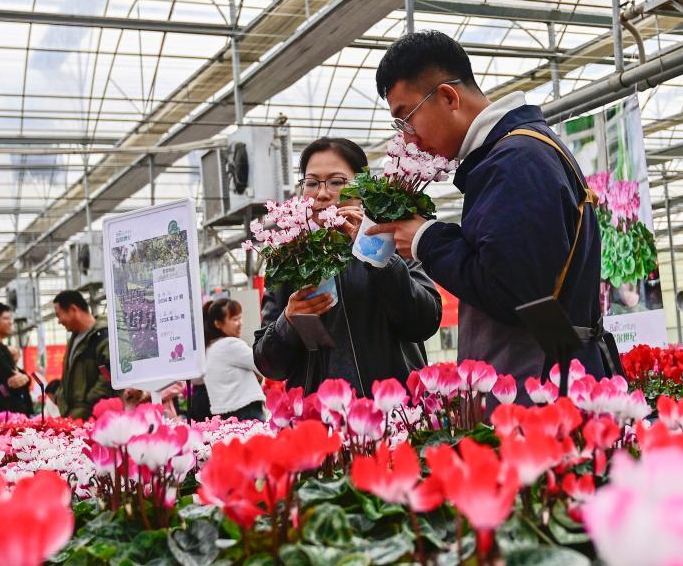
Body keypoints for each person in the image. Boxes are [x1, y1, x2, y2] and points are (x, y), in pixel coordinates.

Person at [368, 30, 610, 395]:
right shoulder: (514, 153)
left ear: (448, 96)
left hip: (544, 389)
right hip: (555, 374)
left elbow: (513, 290)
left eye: (407, 118)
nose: (408, 139)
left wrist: (426, 239)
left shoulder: (516, 160)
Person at [254, 138, 442, 396]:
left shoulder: (392, 239)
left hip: (393, 411)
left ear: (361, 187)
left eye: (336, 181)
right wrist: (288, 321)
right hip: (317, 418)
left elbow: (424, 321)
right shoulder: (288, 257)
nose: (322, 193)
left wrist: (374, 251)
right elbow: (269, 365)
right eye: (311, 183)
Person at [52, 290, 115, 420]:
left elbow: (108, 378)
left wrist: (86, 405)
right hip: (75, 416)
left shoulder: (103, 336)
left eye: (59, 315)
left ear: (73, 309)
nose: (59, 321)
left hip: (93, 417)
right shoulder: (73, 340)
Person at [205, 298, 266, 421]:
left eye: (240, 317)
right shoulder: (229, 344)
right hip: (247, 410)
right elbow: (263, 363)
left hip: (227, 413)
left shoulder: (210, 347)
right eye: (234, 319)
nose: (240, 322)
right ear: (218, 324)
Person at [0, 301, 33, 415]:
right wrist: (25, 378)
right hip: (8, 414)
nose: (11, 322)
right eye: (6, 318)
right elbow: (14, 381)